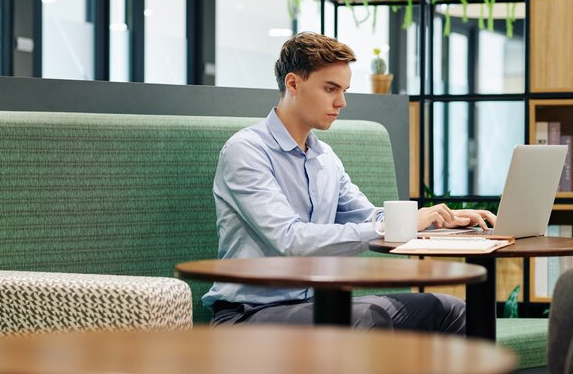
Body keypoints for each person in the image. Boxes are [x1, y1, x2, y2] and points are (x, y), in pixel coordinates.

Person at [202, 32, 496, 333]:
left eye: (344, 90)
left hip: (314, 306)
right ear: (293, 84)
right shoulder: (247, 151)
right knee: (370, 320)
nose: (341, 102)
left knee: (452, 310)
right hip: (249, 314)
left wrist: (438, 221)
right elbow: (291, 239)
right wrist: (393, 225)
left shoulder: (324, 158)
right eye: (331, 89)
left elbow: (370, 217)